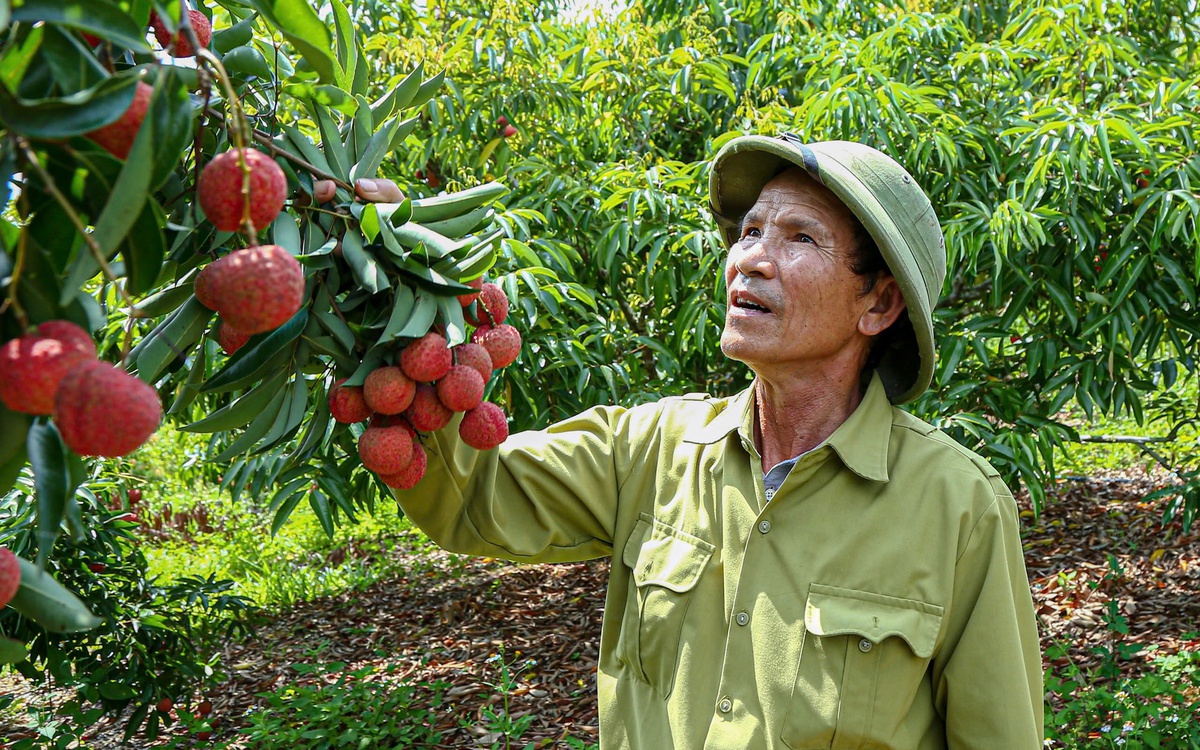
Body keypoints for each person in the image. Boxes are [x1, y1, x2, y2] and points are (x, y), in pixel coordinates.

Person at [316, 133, 1043, 749]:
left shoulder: (958, 506)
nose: (750, 259)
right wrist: (396, 294)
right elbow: (472, 496)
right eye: (750, 230)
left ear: (878, 303)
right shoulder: (651, 447)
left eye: (799, 238)